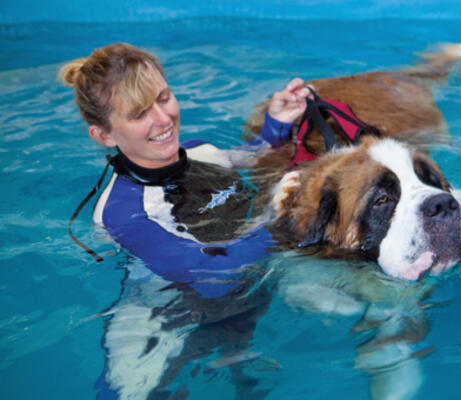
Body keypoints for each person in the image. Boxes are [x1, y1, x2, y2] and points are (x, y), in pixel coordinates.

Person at [60, 42, 309, 399]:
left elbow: (254, 155)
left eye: (163, 98)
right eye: (138, 113)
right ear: (104, 135)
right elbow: (212, 279)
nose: (163, 119)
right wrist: (284, 220)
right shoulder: (124, 212)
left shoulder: (200, 150)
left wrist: (277, 123)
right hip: (167, 324)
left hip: (246, 293)